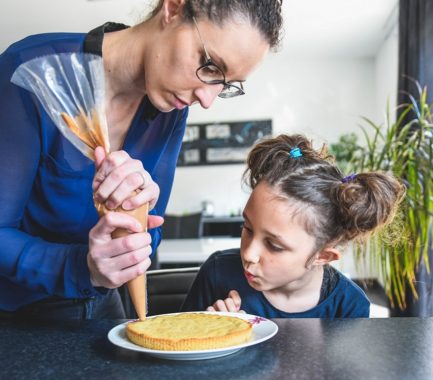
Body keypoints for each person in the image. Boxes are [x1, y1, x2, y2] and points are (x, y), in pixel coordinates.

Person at [0, 0, 284, 320]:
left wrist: (137, 218)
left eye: (225, 85)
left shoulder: (172, 109)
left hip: (108, 303)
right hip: (18, 315)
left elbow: (153, 230)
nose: (207, 99)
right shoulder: (27, 69)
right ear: (173, 9)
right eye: (210, 65)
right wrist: (85, 267)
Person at [182, 134, 406, 318]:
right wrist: (213, 332)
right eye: (247, 228)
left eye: (274, 245)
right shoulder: (217, 273)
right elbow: (178, 359)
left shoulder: (349, 307)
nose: (249, 253)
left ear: (323, 256)